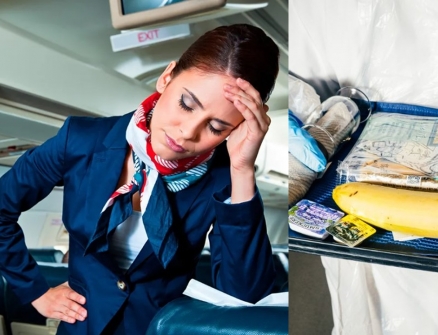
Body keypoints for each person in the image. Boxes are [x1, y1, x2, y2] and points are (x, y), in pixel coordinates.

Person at [0, 24, 280, 335]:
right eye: (186, 104)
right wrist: (35, 292)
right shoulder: (81, 140)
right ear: (167, 77)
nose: (188, 132)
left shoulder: (223, 178)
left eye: (215, 127)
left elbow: (243, 299)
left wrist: (242, 170)